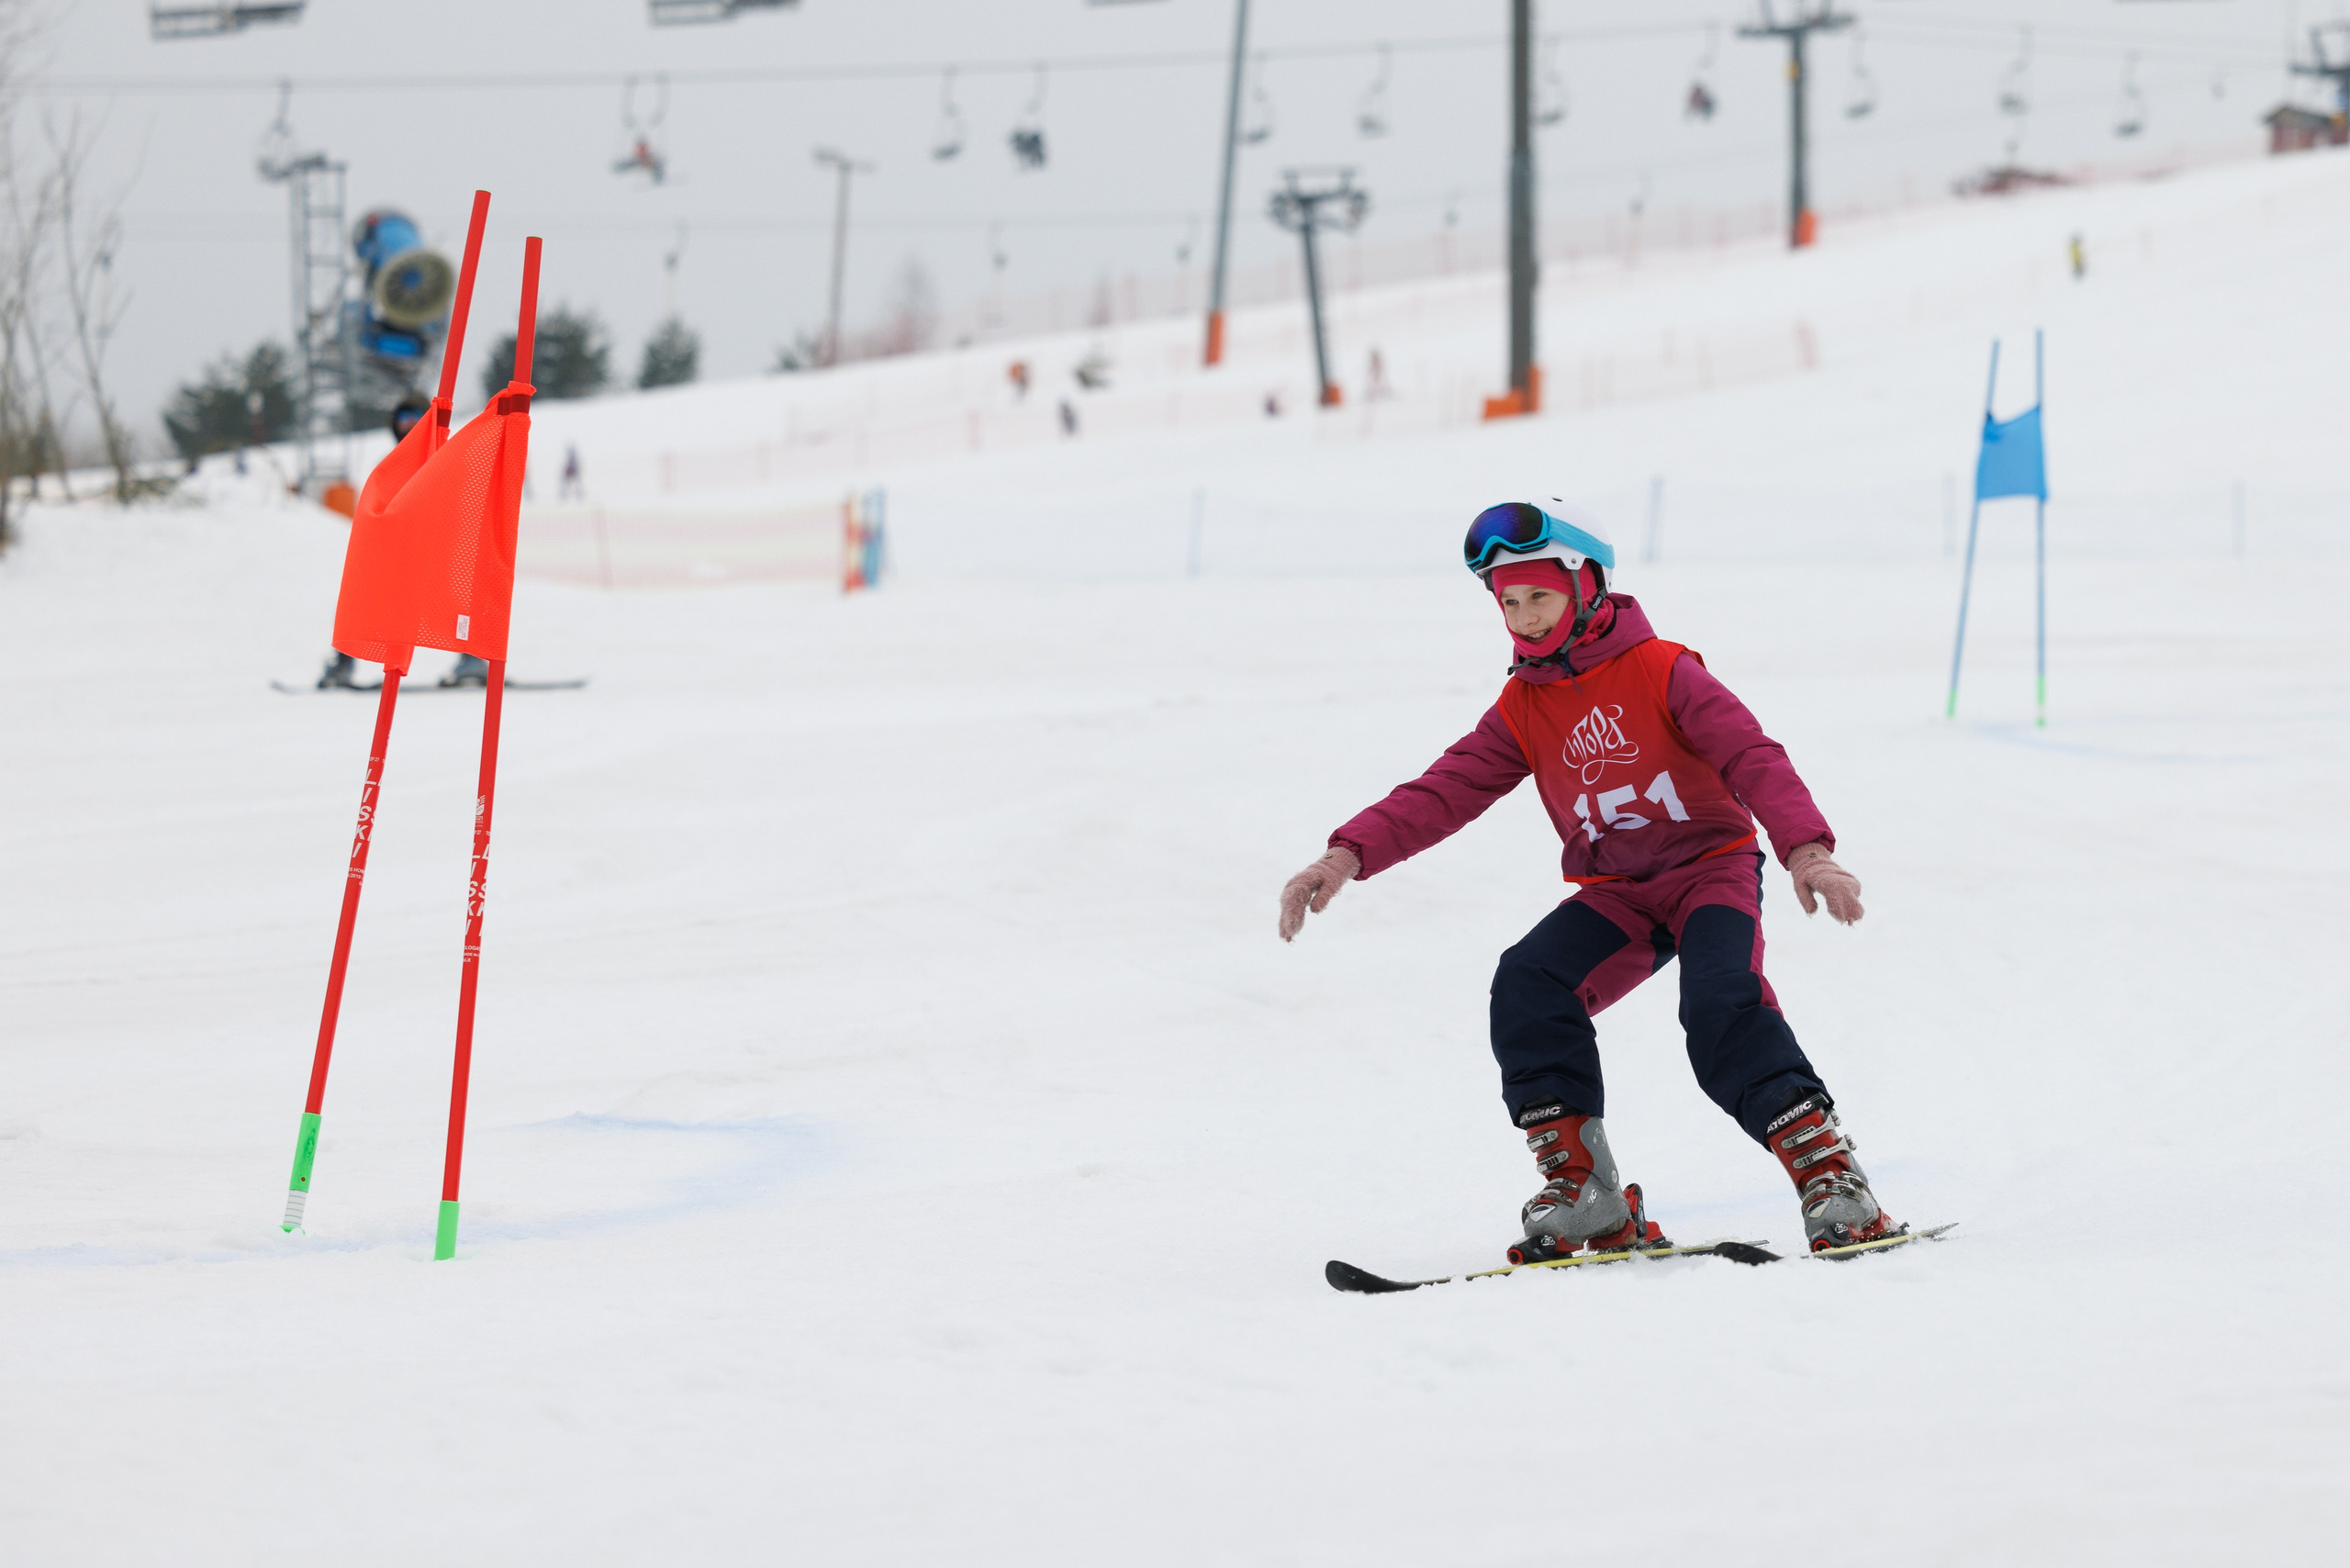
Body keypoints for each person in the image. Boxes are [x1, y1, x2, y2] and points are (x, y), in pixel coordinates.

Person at [1276, 498, 1899, 1259]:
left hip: (1711, 874)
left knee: (1720, 1007)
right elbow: (1446, 788)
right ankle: (1587, 1194)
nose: (1526, 618)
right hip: (1618, 895)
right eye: (1509, 603)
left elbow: (1751, 756)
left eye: (1539, 596)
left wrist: (1808, 848)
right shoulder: (1523, 706)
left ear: (1586, 587)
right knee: (1530, 983)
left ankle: (1834, 1181)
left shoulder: (1665, 670)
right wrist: (1346, 853)